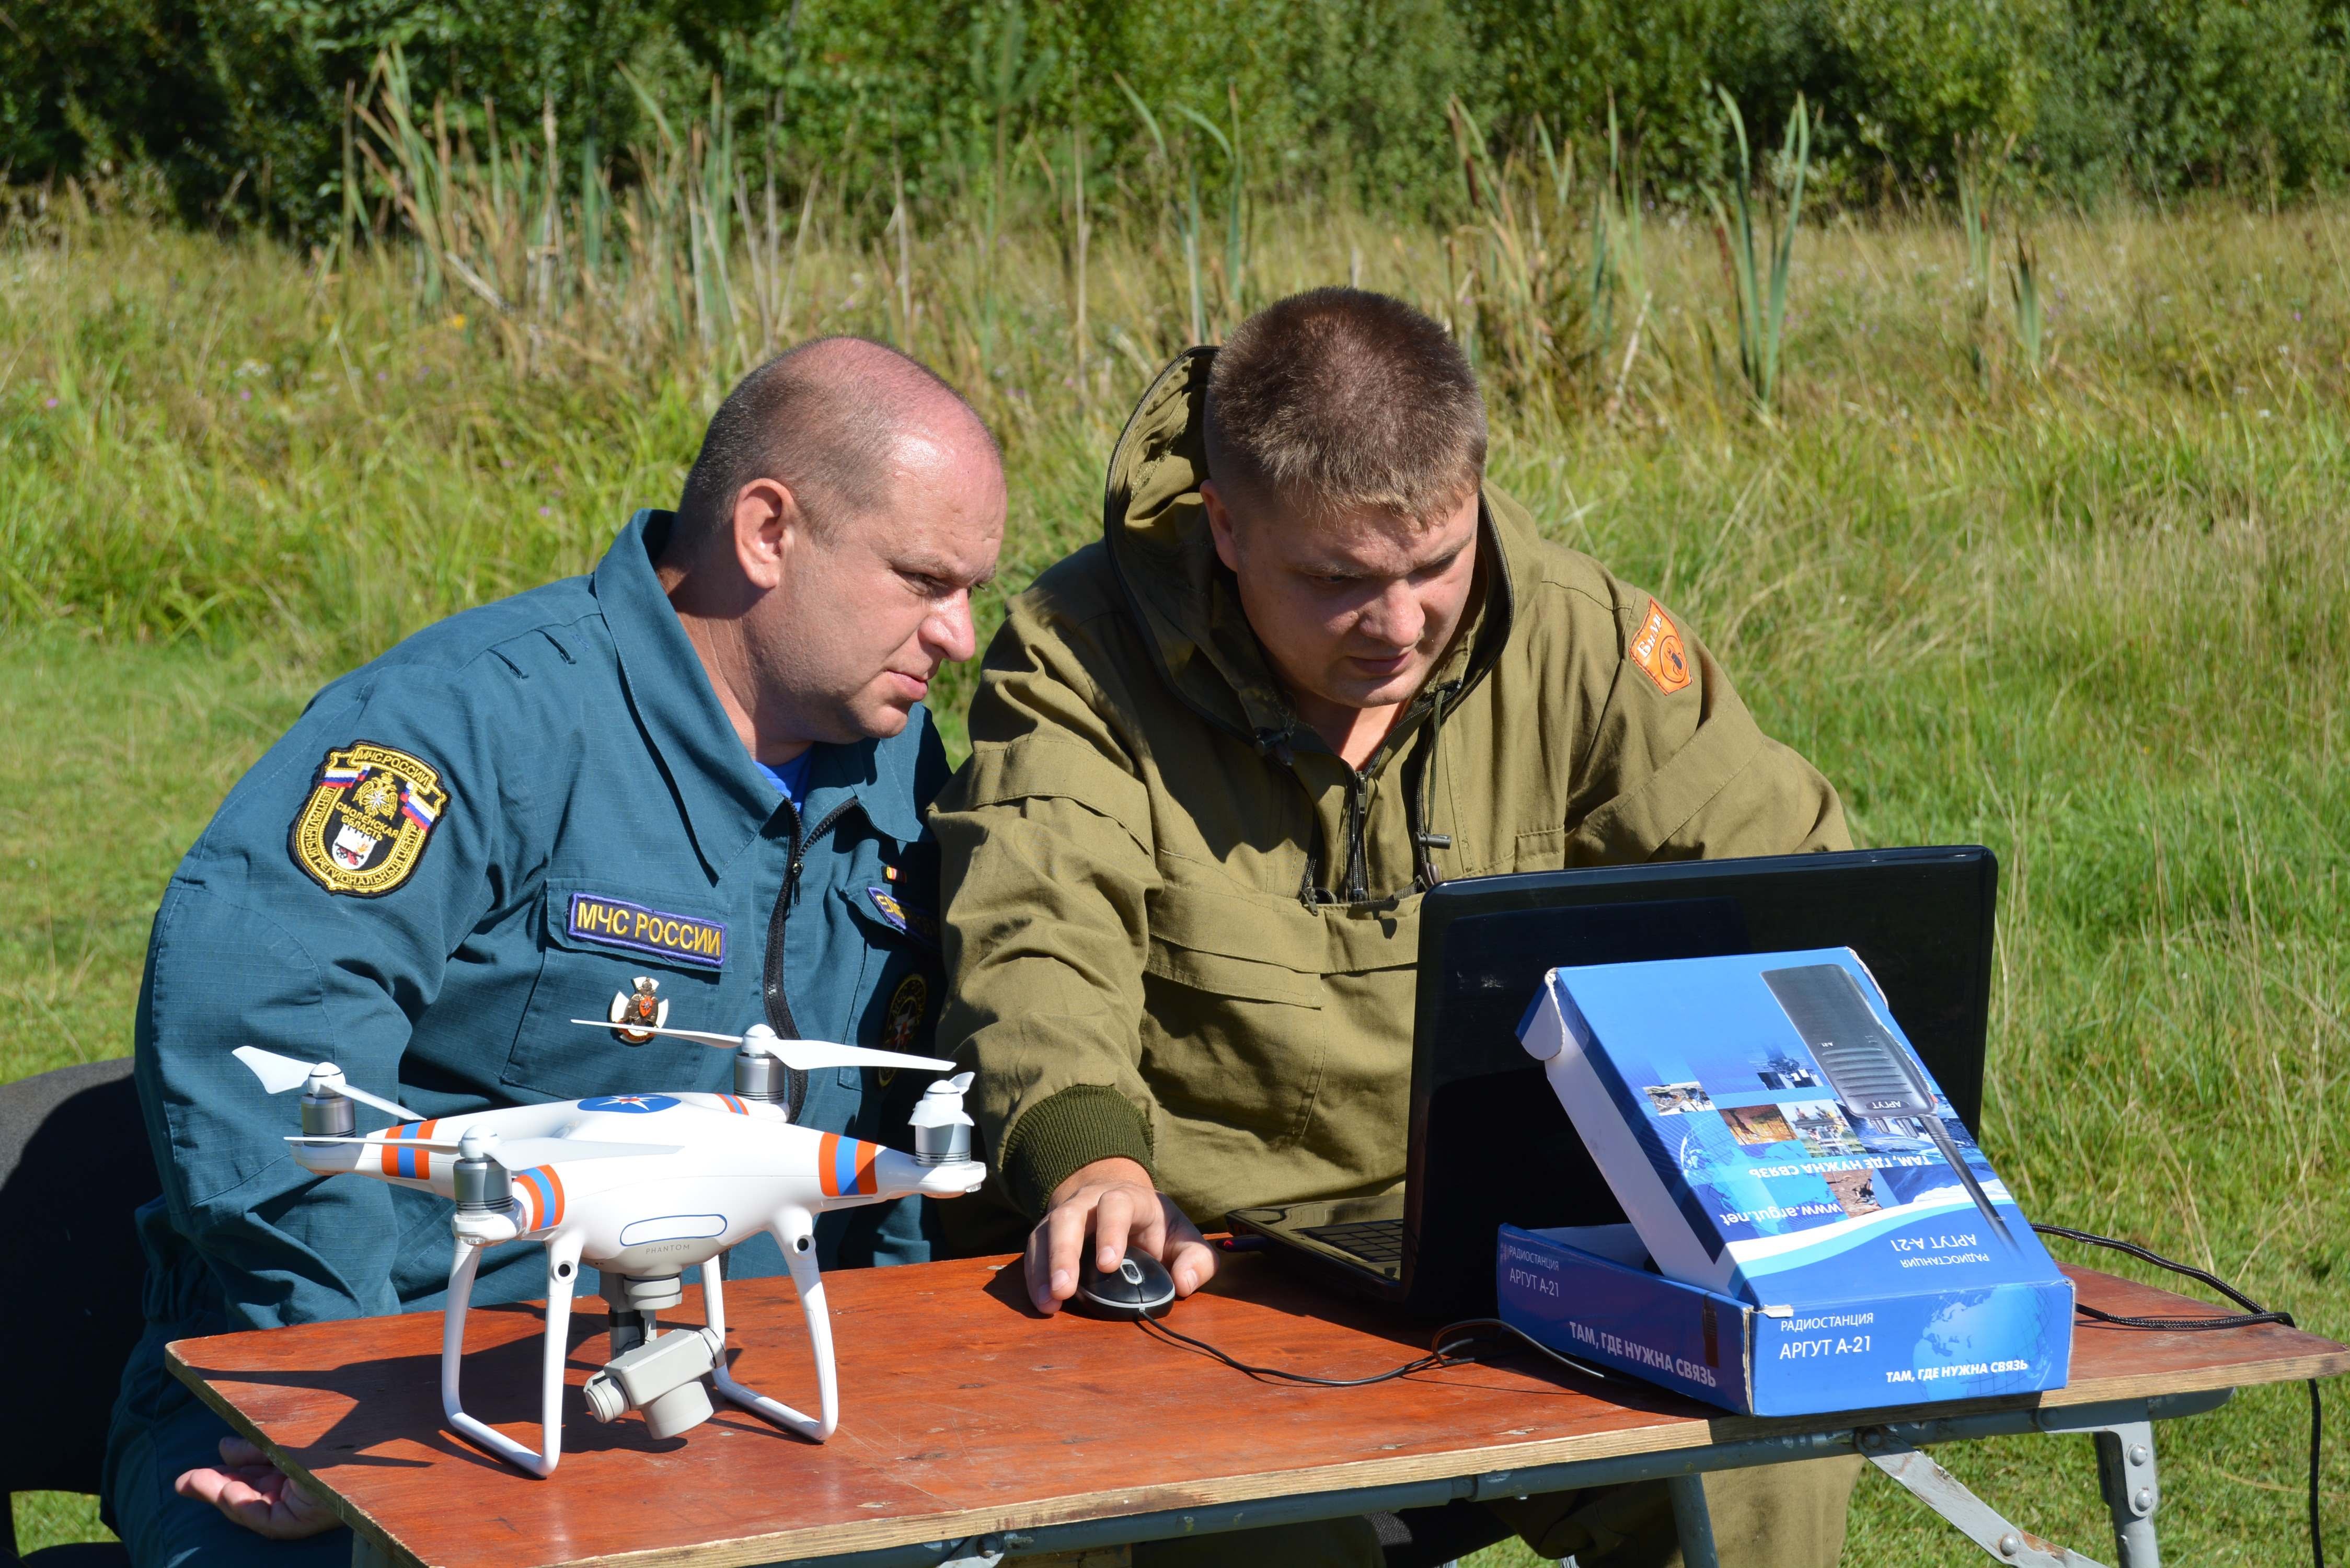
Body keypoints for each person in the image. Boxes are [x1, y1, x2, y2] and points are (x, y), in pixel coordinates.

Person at [932, 290, 1858, 1566]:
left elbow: (1799, 896)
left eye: (1434, 564)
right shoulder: (1082, 661)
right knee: (1236, 1529)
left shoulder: (1578, 641)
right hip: (1214, 1259)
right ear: (1229, 531)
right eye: (1340, 583)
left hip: (1529, 1249)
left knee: (1757, 1457)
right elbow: (1036, 935)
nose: (1401, 623)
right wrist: (1088, 1158)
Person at [106, 337, 1005, 1566]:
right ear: (765, 532)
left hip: (726, 1393)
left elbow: (886, 1109)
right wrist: (331, 1388)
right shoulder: (474, 723)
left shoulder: (893, 763)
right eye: (923, 579)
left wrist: (896, 1364)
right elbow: (261, 1028)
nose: (956, 634)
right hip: (369, 1395)